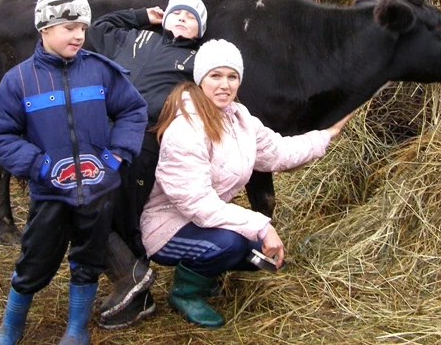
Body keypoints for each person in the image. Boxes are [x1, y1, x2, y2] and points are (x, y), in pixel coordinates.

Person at [140, 39, 354, 328]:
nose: (224, 85)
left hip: (206, 218)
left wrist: (327, 134)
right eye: (215, 76)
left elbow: (279, 152)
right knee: (232, 243)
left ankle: (206, 270)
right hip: (166, 226)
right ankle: (185, 294)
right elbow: (197, 203)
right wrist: (262, 225)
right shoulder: (186, 128)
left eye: (232, 76)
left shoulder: (239, 118)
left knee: (253, 252)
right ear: (200, 78)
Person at [0, 0, 148, 345]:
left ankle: (76, 329)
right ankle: (10, 327)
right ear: (44, 28)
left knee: (88, 259)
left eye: (83, 29)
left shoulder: (101, 71)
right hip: (50, 193)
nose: (78, 36)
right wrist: (39, 166)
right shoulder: (20, 81)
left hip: (98, 190)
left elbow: (133, 110)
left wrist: (116, 156)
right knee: (34, 260)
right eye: (69, 28)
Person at [87, 0, 207, 329]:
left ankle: (135, 294)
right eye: (176, 12)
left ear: (200, 30)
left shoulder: (198, 59)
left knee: (126, 216)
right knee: (85, 205)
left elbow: (220, 86)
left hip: (144, 142)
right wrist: (142, 16)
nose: (182, 18)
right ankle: (132, 280)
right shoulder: (135, 36)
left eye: (191, 17)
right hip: (101, 135)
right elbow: (99, 28)